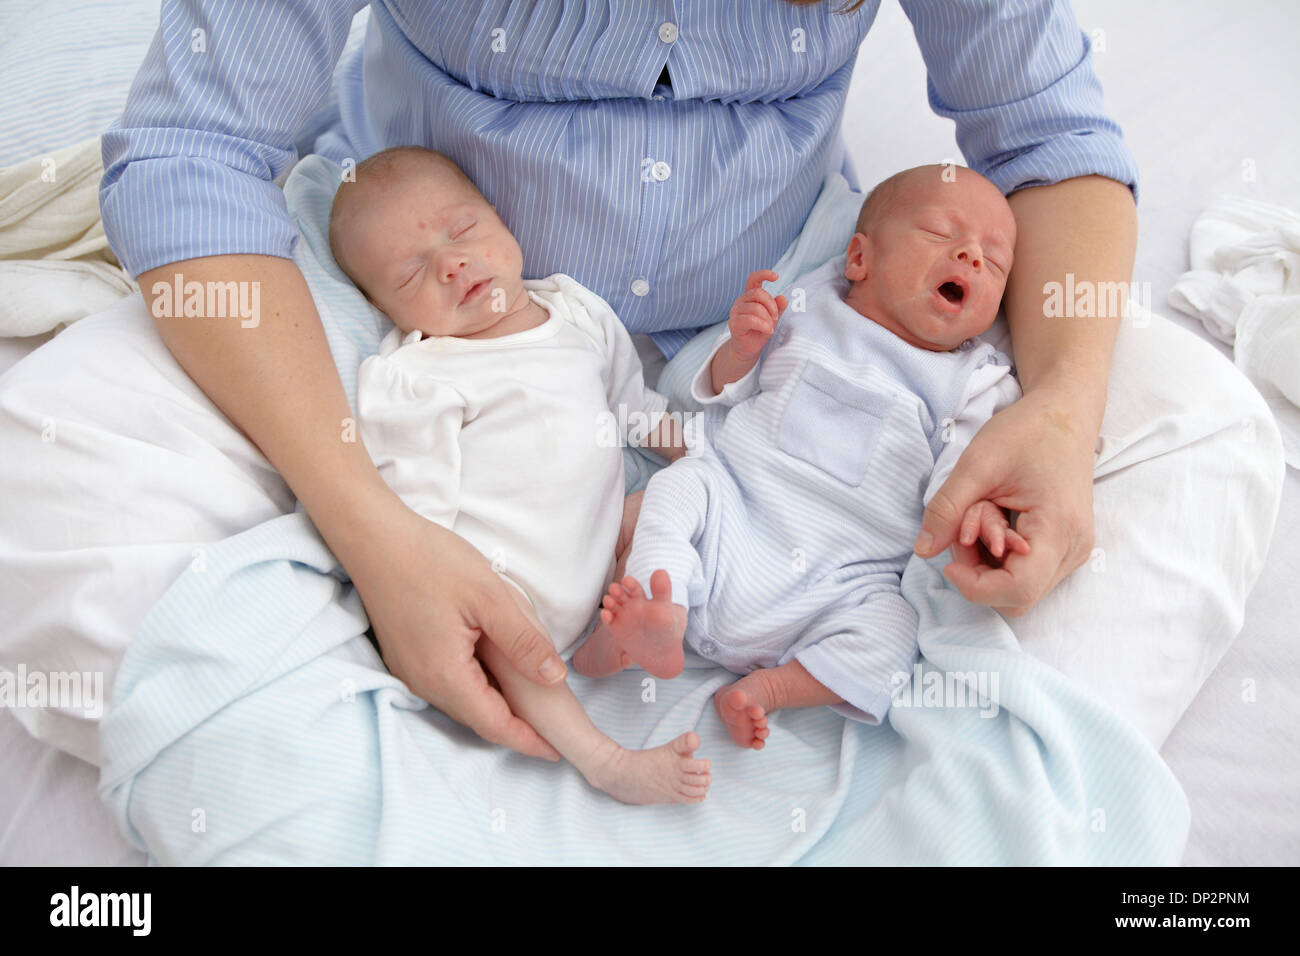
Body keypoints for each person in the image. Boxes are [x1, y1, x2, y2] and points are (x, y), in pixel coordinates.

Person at [0, 1, 1281, 768]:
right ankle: (442, 804)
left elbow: (1053, 142)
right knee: (51, 484)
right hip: (415, 303)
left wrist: (1053, 414)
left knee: (1200, 431)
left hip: (794, 321)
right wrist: (369, 526)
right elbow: (192, 150)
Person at [586, 164, 1029, 749]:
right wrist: (740, 350)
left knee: (896, 628)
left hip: (841, 578)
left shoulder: (976, 382)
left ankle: (773, 688)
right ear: (859, 260)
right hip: (732, 514)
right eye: (942, 234)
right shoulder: (804, 309)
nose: (972, 256)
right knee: (676, 489)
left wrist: (984, 515)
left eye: (994, 261)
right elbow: (721, 392)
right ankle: (648, 615)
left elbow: (967, 467)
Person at [335, 145, 710, 803]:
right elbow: (415, 515)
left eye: (463, 230)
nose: (452, 263)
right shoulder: (417, 376)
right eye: (410, 275)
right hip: (505, 589)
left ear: (502, 219)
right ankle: (605, 761)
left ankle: (613, 637)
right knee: (509, 643)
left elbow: (631, 407)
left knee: (670, 500)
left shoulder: (575, 311)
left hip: (599, 551)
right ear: (387, 311)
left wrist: (699, 452)